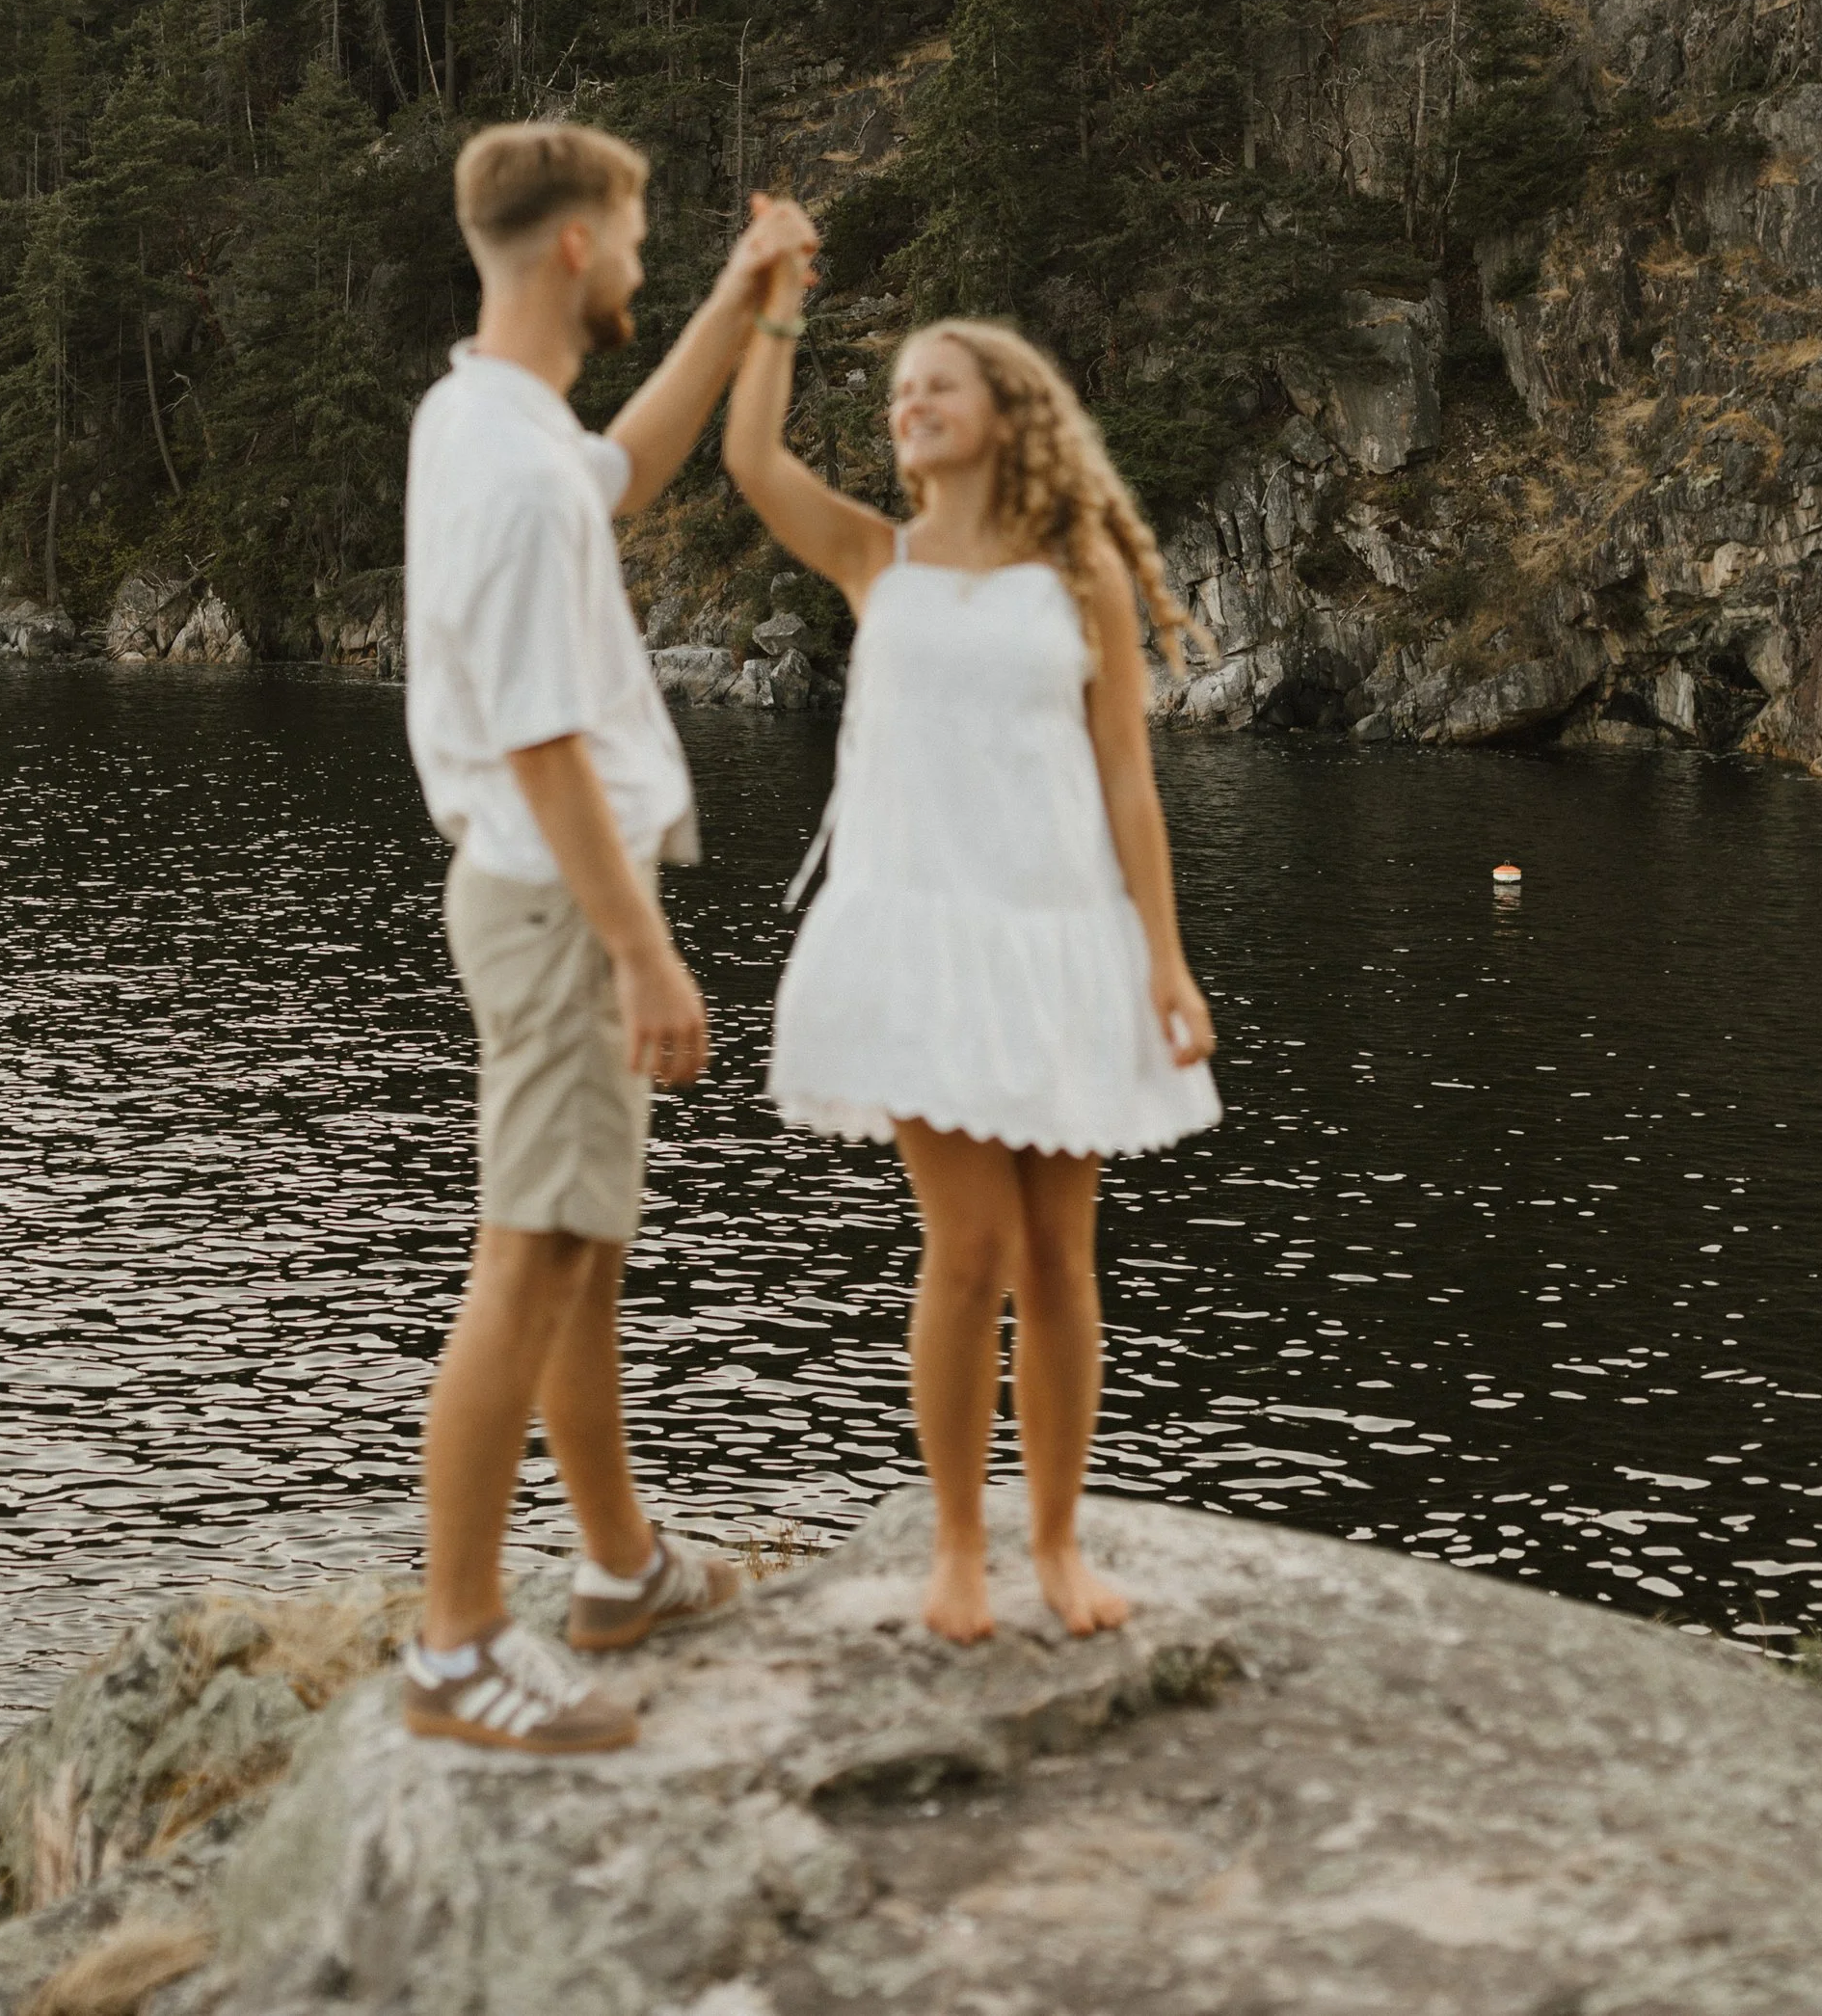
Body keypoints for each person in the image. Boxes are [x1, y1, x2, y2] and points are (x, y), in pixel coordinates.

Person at [399, 121, 818, 1756]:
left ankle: (624, 1566)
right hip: (562, 902)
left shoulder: (496, 420)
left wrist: (739, 297)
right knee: (530, 1257)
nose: (643, 260)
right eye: (641, 235)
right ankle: (455, 1649)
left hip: (551, 894)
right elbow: (544, 741)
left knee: (578, 1250)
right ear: (575, 244)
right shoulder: (500, 458)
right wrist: (645, 948)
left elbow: (631, 464)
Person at [723, 268, 1220, 1646]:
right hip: (921, 938)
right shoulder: (875, 557)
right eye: (897, 392)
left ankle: (1055, 1547)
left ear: (1005, 411)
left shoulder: (1085, 577)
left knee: (1063, 1257)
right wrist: (769, 304)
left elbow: (1128, 780)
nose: (910, 401)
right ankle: (955, 1547)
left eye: (937, 380)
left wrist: (1167, 963)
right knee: (973, 1244)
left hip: (1062, 938)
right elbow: (751, 456)